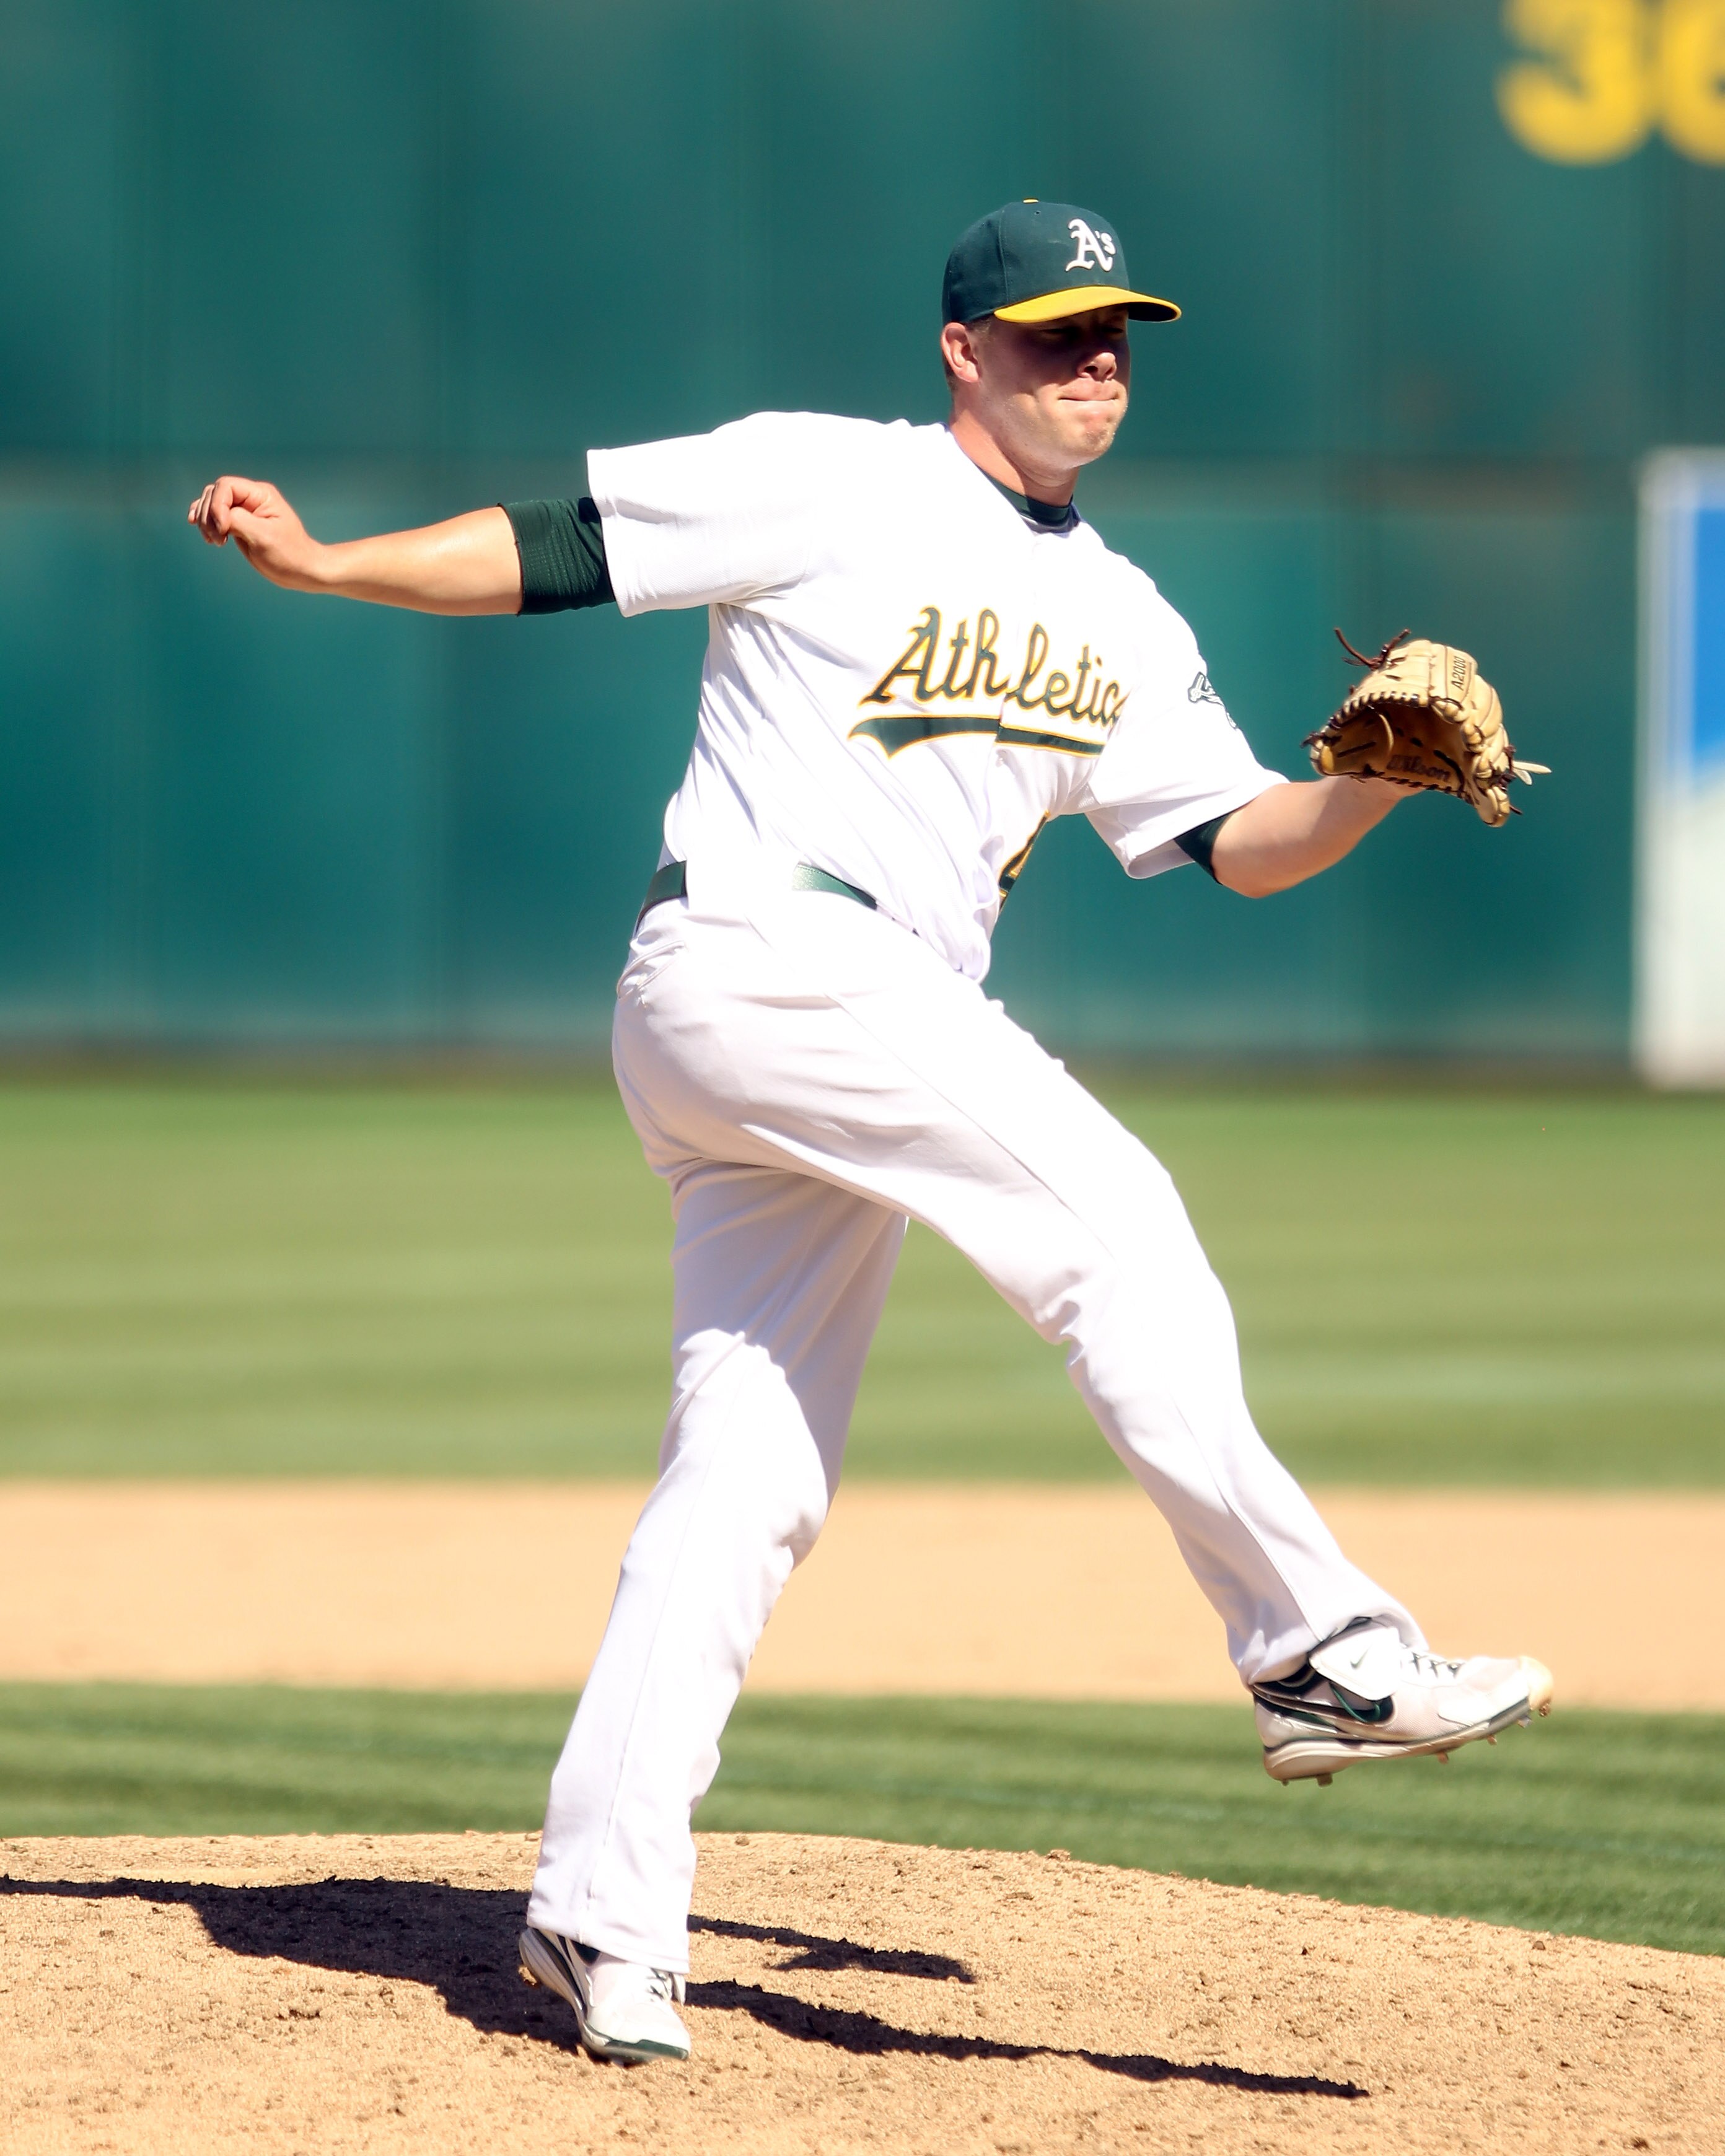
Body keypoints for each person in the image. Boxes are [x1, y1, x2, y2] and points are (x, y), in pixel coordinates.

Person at [190, 200, 1552, 2067]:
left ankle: (601, 1918)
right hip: (770, 949)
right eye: (1056, 331)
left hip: (830, 1025)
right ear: (961, 349)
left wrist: (1363, 784)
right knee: (1119, 1220)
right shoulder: (831, 480)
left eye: (1116, 334)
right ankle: (1316, 1644)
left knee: (747, 1479)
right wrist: (335, 565)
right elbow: (564, 547)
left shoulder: (1127, 616)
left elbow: (1234, 845)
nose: (1096, 362)